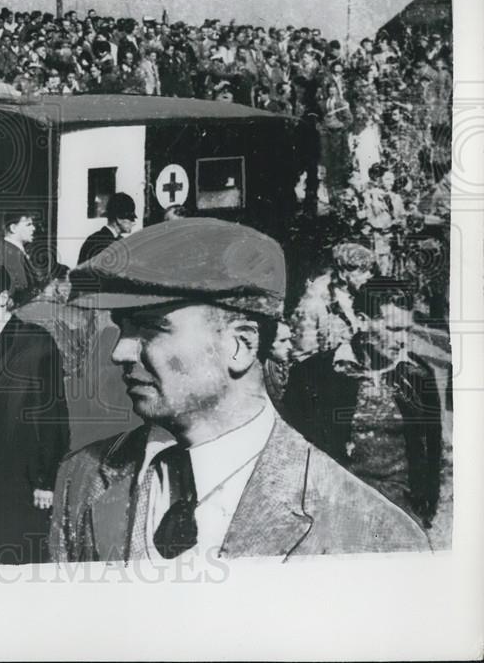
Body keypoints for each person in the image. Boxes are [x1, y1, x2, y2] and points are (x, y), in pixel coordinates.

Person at [50, 218, 429, 564]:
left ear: (239, 346)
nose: (120, 351)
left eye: (150, 327)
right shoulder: (82, 479)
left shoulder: (375, 536)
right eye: (122, 328)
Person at [281, 279, 443, 529]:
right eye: (393, 328)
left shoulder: (418, 375)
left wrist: (425, 511)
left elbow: (431, 450)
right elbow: (291, 452)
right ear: (363, 320)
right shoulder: (313, 375)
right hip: (335, 518)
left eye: (407, 330)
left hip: (401, 518)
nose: (403, 340)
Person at [0, 261, 70, 565]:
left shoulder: (35, 343)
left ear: (3, 297)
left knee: (17, 558)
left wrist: (45, 480)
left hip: (19, 477)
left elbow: (52, 416)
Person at [290, 242, 375, 362]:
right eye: (362, 270)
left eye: (369, 270)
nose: (369, 275)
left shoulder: (362, 297)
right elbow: (303, 354)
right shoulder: (315, 302)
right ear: (343, 273)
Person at [0, 209, 40, 302]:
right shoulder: (7, 255)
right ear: (13, 228)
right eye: (28, 224)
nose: (33, 228)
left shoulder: (12, 250)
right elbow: (19, 293)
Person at [77, 192, 137, 265]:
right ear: (119, 218)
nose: (133, 222)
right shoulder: (100, 242)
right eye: (131, 218)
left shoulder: (113, 240)